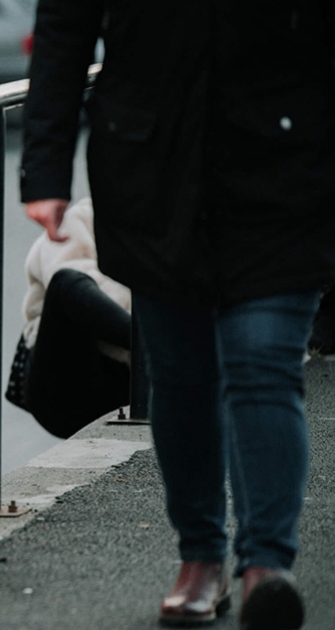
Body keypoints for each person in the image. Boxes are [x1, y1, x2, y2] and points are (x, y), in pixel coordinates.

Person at [21, 2, 335, 628]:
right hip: (151, 172)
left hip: (288, 162)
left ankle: (266, 567)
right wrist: (44, 168)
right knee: (182, 376)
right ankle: (201, 555)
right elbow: (65, 28)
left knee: (261, 361)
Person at [14, 197, 132, 439]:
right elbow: (70, 291)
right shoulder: (80, 217)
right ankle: (152, 341)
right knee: (67, 282)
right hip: (69, 376)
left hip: (132, 382)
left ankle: (155, 344)